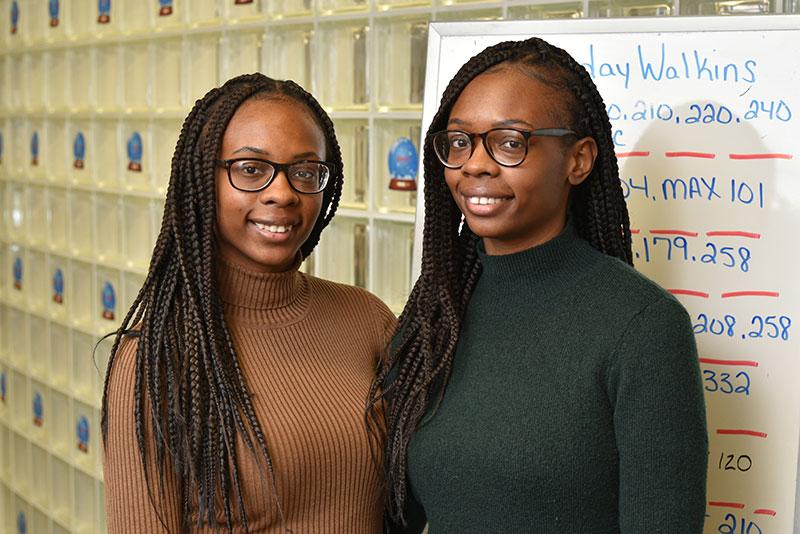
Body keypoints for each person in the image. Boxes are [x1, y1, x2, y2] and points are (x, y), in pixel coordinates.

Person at [369, 37, 708, 533]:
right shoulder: (436, 312)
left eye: (510, 142)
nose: (475, 165)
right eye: (460, 141)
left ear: (579, 160)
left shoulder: (643, 326)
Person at [102, 73, 396, 533]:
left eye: (304, 171)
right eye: (251, 169)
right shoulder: (156, 358)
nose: (282, 193)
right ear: (202, 179)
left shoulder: (367, 320)